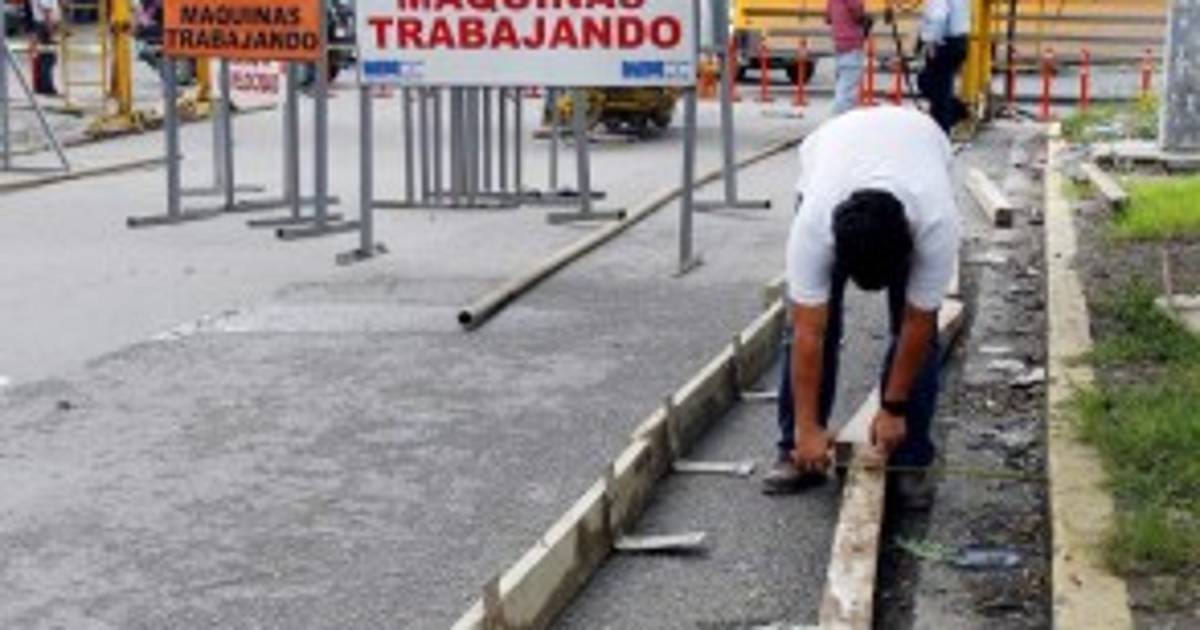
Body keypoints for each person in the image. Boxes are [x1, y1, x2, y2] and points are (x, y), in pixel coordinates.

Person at [761, 106, 961, 509]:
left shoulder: (936, 222)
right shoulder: (815, 225)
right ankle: (795, 448)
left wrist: (893, 408)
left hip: (920, 143)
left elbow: (917, 323)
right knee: (817, 323)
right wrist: (807, 427)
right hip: (835, 150)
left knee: (915, 332)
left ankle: (908, 457)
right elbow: (808, 331)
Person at [916, 0, 970, 133]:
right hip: (959, 40)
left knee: (932, 86)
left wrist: (930, 41)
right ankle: (953, 112)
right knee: (942, 86)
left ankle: (944, 125)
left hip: (944, 43)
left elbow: (938, 16)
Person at [826, 0, 870, 116]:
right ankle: (838, 119)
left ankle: (839, 117)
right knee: (847, 93)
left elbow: (828, 18)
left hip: (839, 45)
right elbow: (859, 14)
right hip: (852, 45)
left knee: (842, 86)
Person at [29, 0, 59, 96]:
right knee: (48, 58)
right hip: (44, 25)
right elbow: (46, 9)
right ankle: (47, 87)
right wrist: (50, 29)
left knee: (43, 57)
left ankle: (41, 86)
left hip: (42, 24)